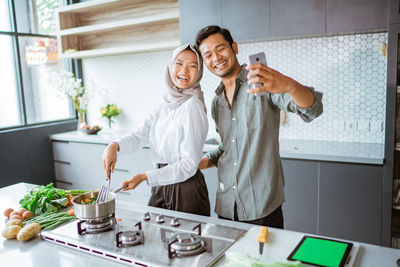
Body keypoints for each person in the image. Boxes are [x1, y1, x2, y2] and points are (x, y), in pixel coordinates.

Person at [195, 25, 323, 228]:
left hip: (263, 208)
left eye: (220, 49)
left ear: (234, 47)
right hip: (226, 206)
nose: (216, 58)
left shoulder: (262, 82)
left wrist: (288, 84)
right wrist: (192, 166)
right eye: (208, 55)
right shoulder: (216, 102)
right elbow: (226, 148)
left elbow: (313, 109)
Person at [102, 44, 210, 216]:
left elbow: (189, 165)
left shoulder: (193, 106)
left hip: (186, 188)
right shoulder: (163, 105)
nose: (185, 71)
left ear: (199, 73)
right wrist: (114, 146)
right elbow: (140, 134)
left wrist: (145, 177)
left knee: (186, 241)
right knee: (157, 236)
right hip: (161, 184)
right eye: (179, 63)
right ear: (170, 66)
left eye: (193, 66)